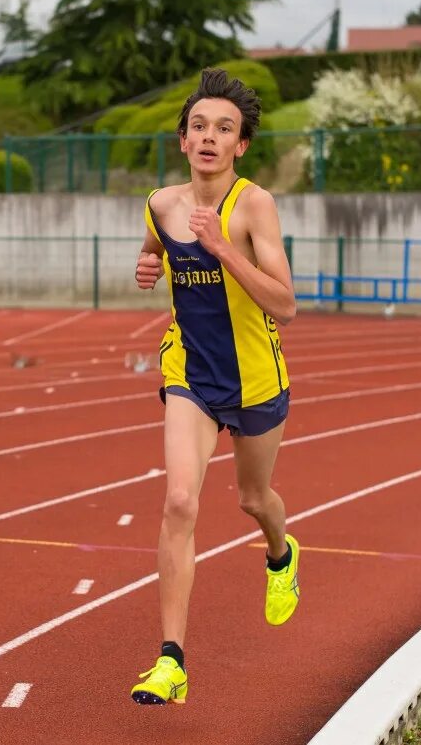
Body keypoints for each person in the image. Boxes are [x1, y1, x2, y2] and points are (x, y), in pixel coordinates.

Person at [129, 67, 300, 705]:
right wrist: (147, 264)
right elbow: (155, 249)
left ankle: (281, 555)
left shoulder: (255, 205)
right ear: (182, 140)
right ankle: (171, 660)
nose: (209, 137)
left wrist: (224, 249)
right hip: (190, 377)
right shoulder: (161, 203)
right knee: (179, 501)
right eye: (199, 126)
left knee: (254, 500)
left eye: (223, 129)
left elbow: (285, 305)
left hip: (256, 378)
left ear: (241, 146)